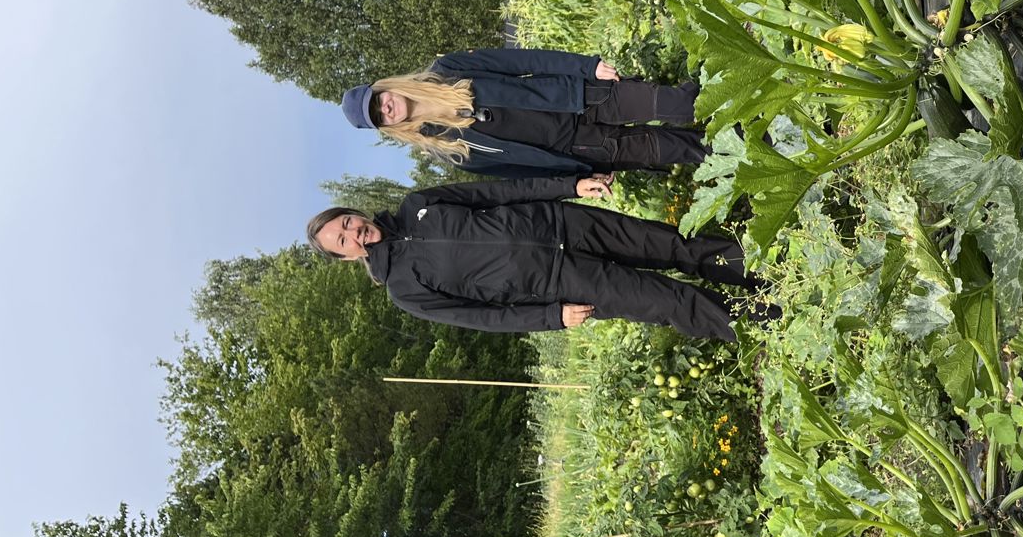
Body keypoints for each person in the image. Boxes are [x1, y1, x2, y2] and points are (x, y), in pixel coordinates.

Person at [306, 174, 761, 341]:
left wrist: (569, 187)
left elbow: (498, 191)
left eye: (346, 223)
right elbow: (484, 318)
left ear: (353, 212)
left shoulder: (417, 204)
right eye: (342, 241)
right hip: (561, 283)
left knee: (675, 245)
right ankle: (767, 320)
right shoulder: (404, 290)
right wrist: (552, 317)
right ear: (346, 258)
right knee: (669, 302)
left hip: (564, 224)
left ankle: (768, 272)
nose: (353, 233)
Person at [339, 47, 706, 180]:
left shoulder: (446, 70)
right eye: (378, 116)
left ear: (384, 87)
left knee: (679, 104)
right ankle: (754, 141)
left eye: (378, 99)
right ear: (387, 126)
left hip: (579, 97)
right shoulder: (446, 147)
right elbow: (518, 172)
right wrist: (578, 178)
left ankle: (751, 102)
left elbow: (518, 61)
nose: (384, 108)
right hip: (581, 147)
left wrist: (585, 67)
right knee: (679, 149)